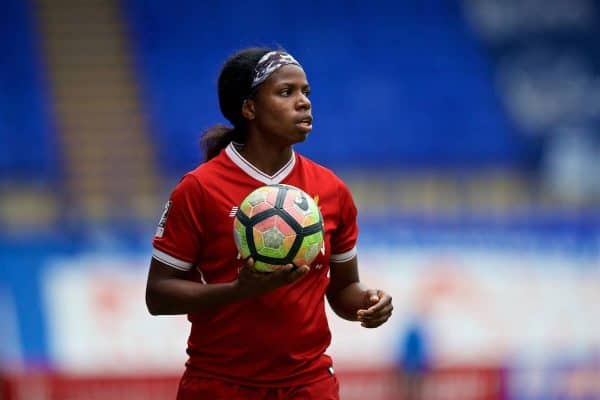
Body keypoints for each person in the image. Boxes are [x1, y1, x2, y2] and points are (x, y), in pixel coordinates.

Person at [145, 47, 393, 400]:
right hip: (219, 384)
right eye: (286, 92)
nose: (304, 102)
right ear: (249, 108)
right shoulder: (199, 189)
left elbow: (341, 289)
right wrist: (237, 291)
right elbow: (158, 295)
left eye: (306, 92)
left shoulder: (332, 190)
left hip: (308, 385)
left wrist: (368, 302)